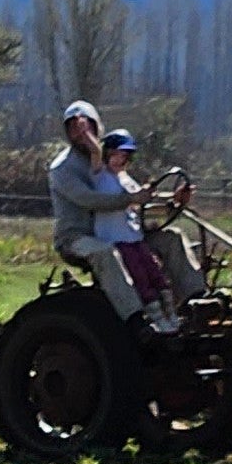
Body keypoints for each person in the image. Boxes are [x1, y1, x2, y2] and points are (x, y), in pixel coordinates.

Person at [48, 100, 203, 328]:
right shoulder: (62, 169)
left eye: (86, 126)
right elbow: (91, 201)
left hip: (119, 232)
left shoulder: (111, 161)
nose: (81, 133)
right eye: (74, 128)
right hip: (78, 237)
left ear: (97, 126)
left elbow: (134, 195)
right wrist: (131, 199)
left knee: (172, 237)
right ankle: (136, 318)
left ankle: (196, 301)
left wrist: (172, 201)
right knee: (105, 252)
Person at [93, 130, 180, 332]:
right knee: (139, 277)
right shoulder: (99, 179)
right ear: (106, 154)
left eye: (124, 156)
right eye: (115, 155)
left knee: (155, 273)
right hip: (115, 238)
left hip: (133, 237)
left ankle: (171, 314)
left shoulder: (126, 179)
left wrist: (170, 201)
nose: (120, 160)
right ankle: (156, 319)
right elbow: (113, 201)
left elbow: (140, 204)